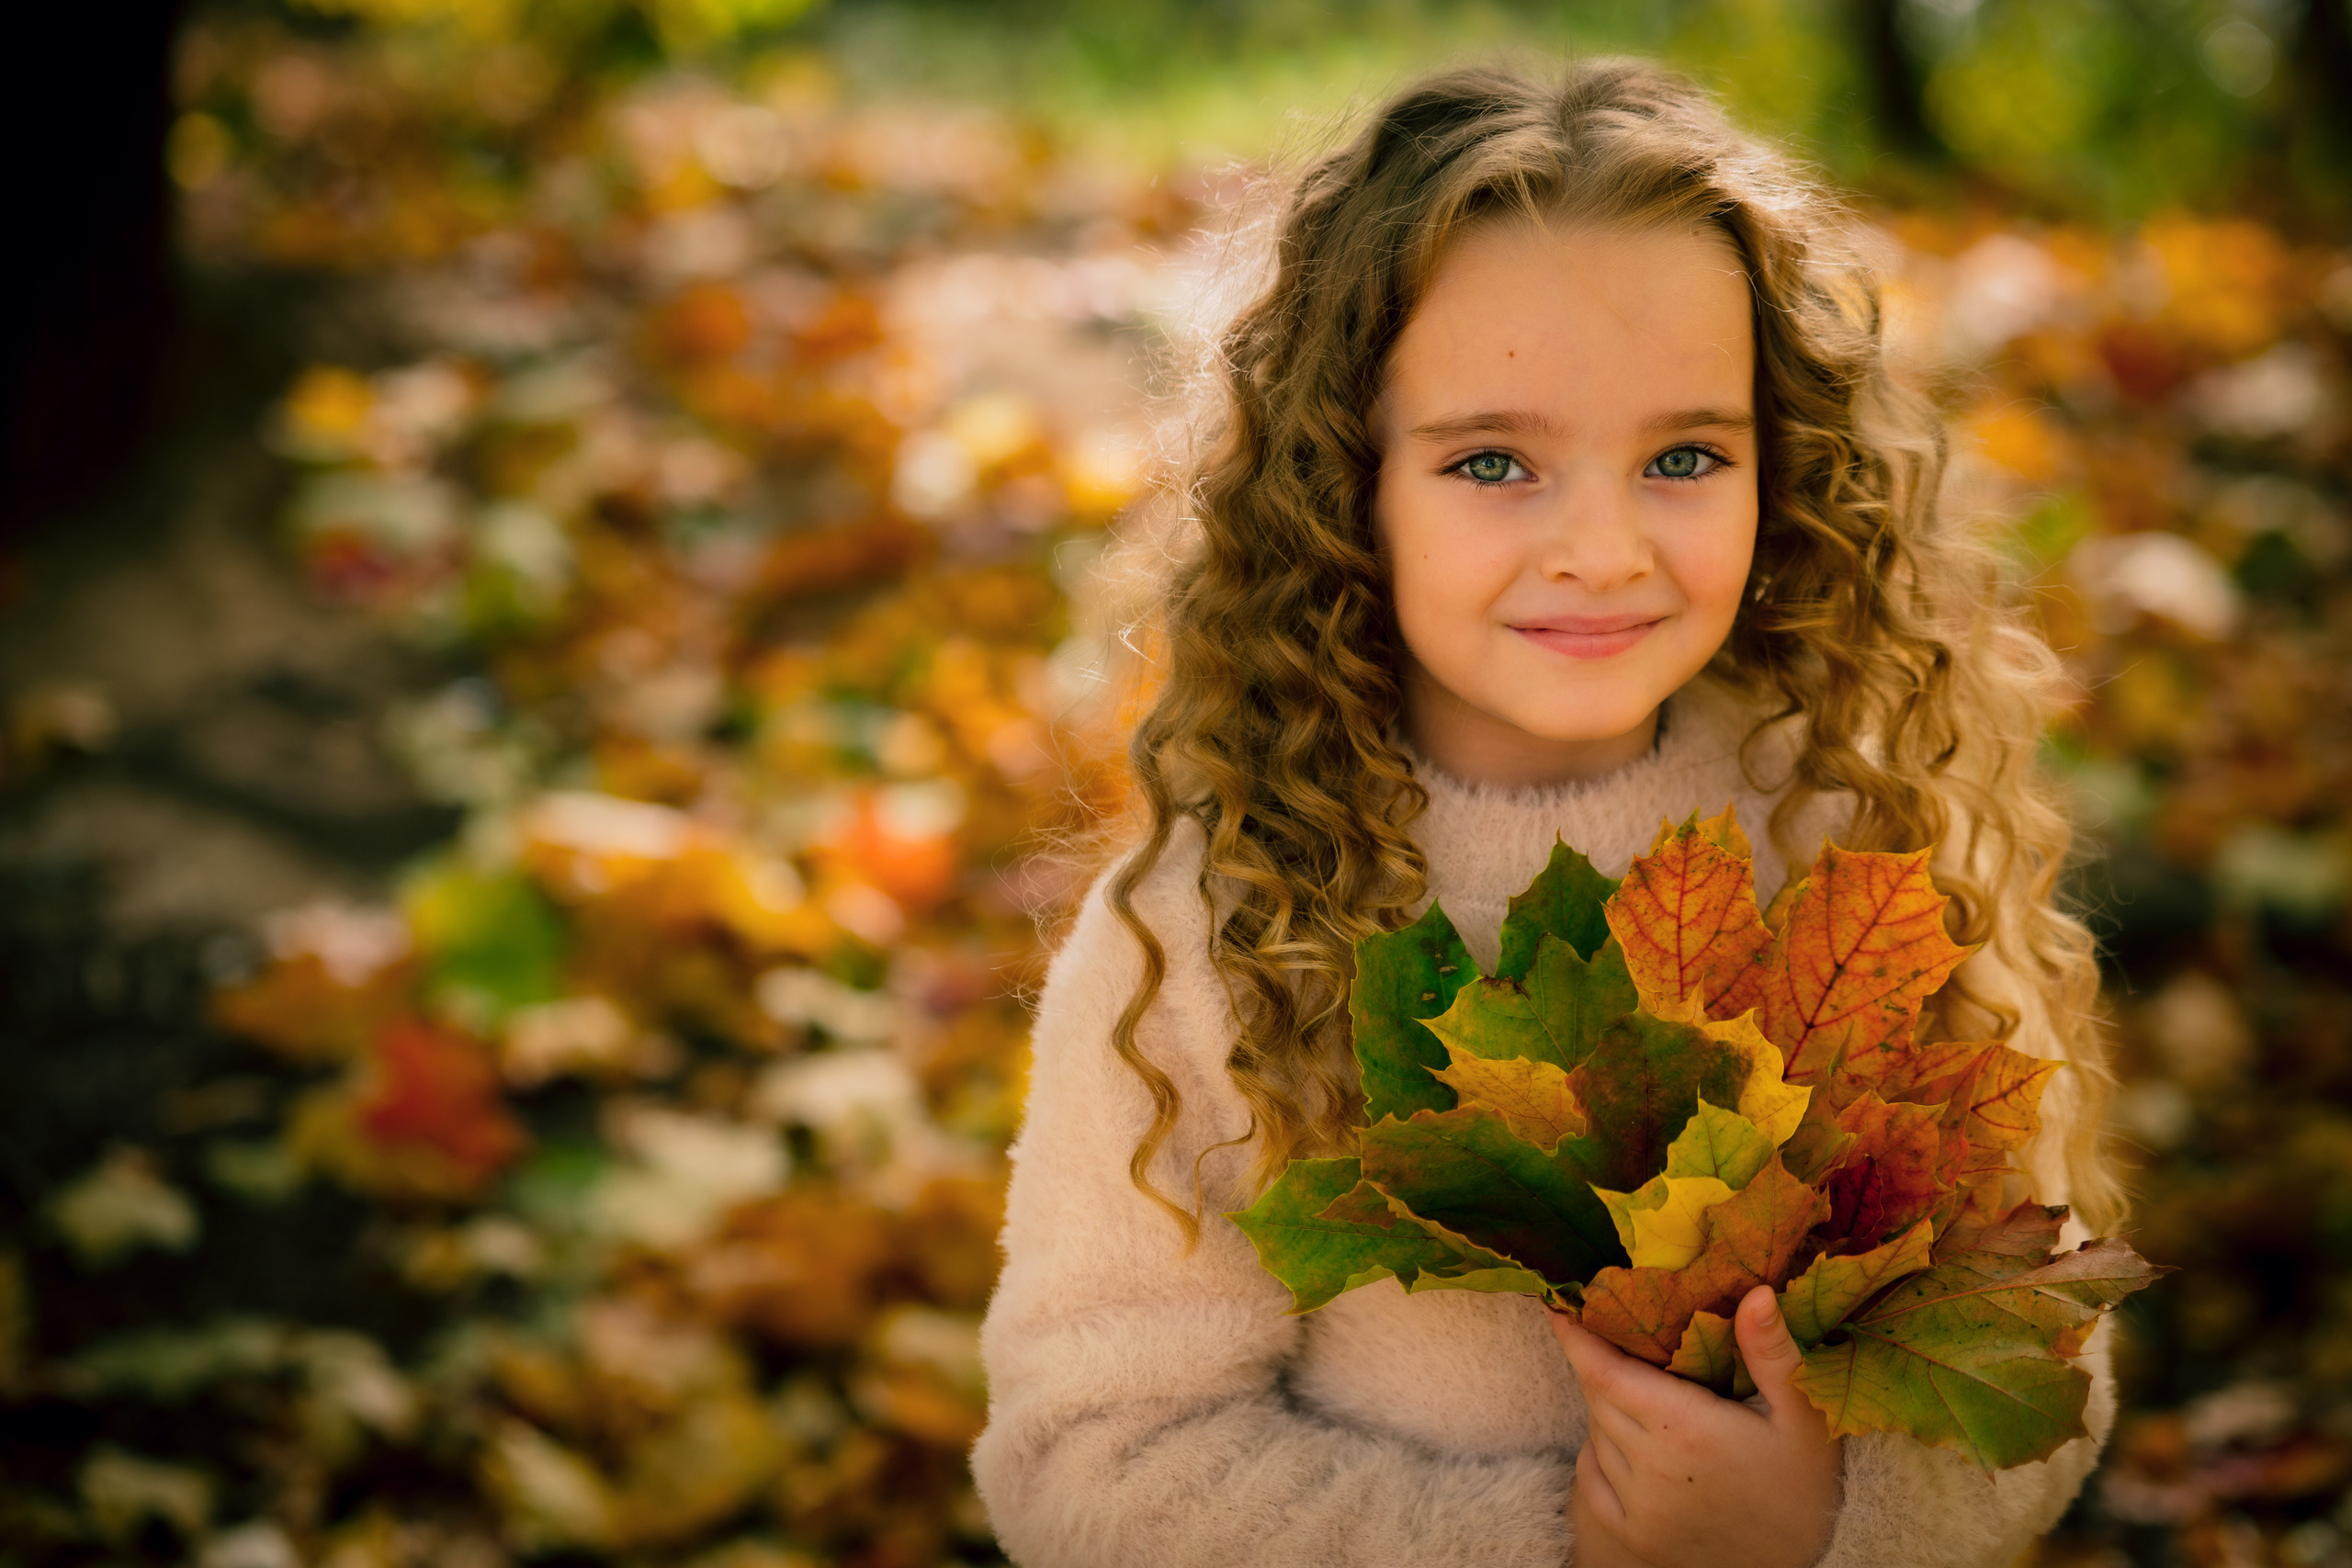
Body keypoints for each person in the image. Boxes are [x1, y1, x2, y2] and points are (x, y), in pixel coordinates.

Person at [970, 57, 2120, 1568]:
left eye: (1686, 457)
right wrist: (1570, 1546)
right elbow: (1093, 1456)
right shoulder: (1211, 925)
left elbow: (2041, 1347)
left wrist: (1827, 1527)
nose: (1602, 546)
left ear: (1787, 473)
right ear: (1345, 485)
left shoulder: (1869, 843)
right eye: (1493, 462)